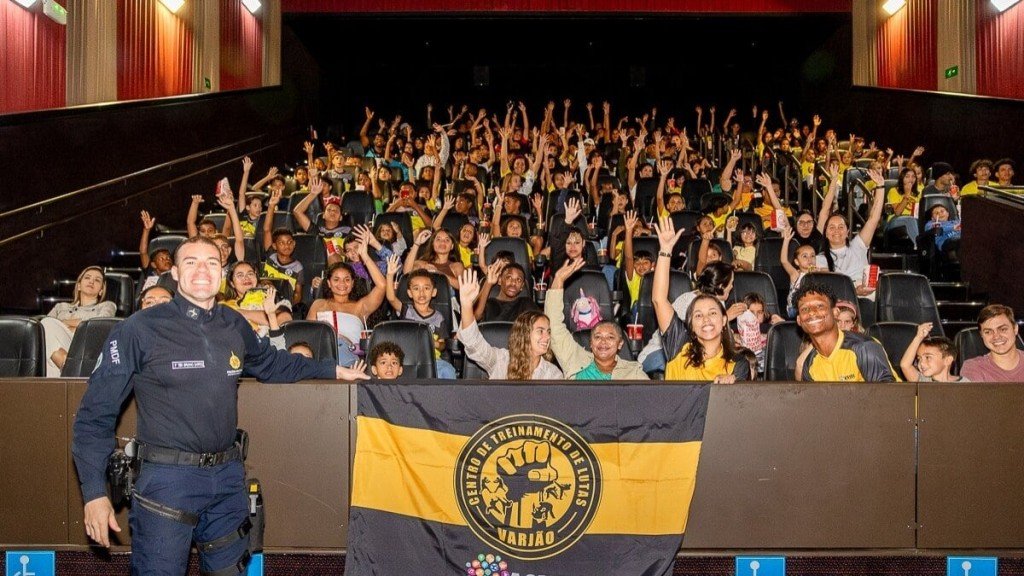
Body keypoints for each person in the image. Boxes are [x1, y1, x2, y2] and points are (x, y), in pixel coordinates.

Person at [71, 236, 369, 576]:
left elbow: (271, 363)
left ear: (222, 273)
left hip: (227, 481)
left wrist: (332, 369)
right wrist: (94, 494)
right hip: (167, 483)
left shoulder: (233, 323)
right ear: (175, 273)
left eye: (212, 262)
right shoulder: (138, 329)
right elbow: (94, 417)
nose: (202, 270)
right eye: (191, 262)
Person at [652, 216, 751, 382]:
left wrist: (732, 383)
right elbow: (659, 300)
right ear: (690, 323)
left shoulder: (738, 363)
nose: (706, 319)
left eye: (712, 313)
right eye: (698, 315)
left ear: (724, 319)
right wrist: (665, 251)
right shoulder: (679, 345)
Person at [543, 258, 648, 380]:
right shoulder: (575, 358)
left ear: (620, 344)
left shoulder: (633, 372)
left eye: (610, 337)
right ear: (591, 343)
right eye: (597, 337)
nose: (603, 342)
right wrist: (558, 280)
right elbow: (554, 327)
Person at [456, 268, 562, 380]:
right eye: (540, 331)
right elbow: (473, 342)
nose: (547, 337)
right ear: (524, 333)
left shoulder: (553, 374)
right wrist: (466, 305)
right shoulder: (501, 361)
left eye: (548, 332)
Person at [793, 282, 897, 382]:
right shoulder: (810, 363)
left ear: (835, 312)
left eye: (820, 306)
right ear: (799, 320)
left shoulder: (864, 347)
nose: (812, 312)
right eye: (805, 309)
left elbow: (887, 393)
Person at [41, 266, 118, 377]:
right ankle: (67, 367)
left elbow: (98, 325)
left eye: (97, 280)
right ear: (79, 286)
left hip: (84, 348)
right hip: (62, 347)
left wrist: (63, 324)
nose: (91, 281)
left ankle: (67, 368)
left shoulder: (107, 306)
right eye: (87, 278)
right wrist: (76, 325)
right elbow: (44, 330)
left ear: (101, 291)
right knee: (46, 329)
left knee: (48, 328)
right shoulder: (61, 307)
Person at [385, 265, 458, 379]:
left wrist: (436, 344)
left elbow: (442, 344)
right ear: (409, 293)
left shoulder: (438, 317)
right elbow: (391, 298)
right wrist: (390, 275)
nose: (421, 292)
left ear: (434, 292)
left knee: (448, 370)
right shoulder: (406, 311)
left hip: (433, 361)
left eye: (426, 288)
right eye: (416, 289)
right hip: (408, 360)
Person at [960, 304, 1024, 382]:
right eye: (988, 332)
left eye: (1003, 329)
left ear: (1015, 329)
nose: (996, 336)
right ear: (981, 335)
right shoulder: (973, 367)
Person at [899, 322, 966, 382]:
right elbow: (905, 365)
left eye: (928, 357)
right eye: (919, 358)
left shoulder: (965, 383)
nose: (921, 363)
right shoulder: (923, 381)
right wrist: (918, 337)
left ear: (947, 360)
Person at [780, 226, 817, 318]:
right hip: (794, 309)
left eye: (812, 256)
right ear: (796, 262)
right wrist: (786, 240)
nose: (809, 259)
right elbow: (784, 261)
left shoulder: (818, 274)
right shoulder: (796, 274)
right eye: (805, 256)